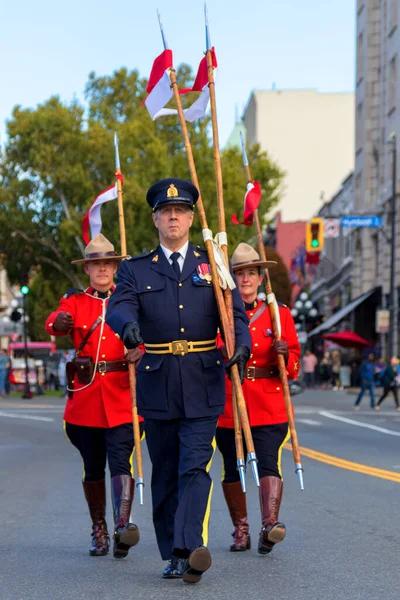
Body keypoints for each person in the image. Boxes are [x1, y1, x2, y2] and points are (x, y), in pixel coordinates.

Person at [106, 178, 251, 584]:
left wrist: (241, 344)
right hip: (158, 381)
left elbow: (235, 312)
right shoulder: (135, 269)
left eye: (181, 211)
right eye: (166, 212)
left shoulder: (213, 262)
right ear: (155, 219)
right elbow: (119, 306)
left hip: (204, 379)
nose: (173, 217)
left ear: (190, 218)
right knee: (166, 471)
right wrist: (129, 328)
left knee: (194, 466)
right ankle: (172, 551)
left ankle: (190, 549)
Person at [45, 234, 143, 559]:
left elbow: (146, 336)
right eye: (95, 263)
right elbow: (55, 323)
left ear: (115, 267)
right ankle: (99, 528)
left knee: (120, 460)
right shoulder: (74, 301)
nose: (102, 268)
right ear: (87, 269)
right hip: (86, 397)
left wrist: (138, 350)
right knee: (92, 466)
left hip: (121, 394)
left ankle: (121, 527)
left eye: (107, 263)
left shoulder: (128, 300)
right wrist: (57, 322)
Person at [215, 243, 300, 555]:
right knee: (231, 466)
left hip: (268, 402)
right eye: (239, 273)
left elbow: (294, 365)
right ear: (231, 279)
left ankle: (269, 525)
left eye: (251, 272)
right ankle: (241, 529)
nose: (246, 279)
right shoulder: (218, 316)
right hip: (230, 402)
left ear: (261, 277)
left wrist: (284, 354)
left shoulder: (279, 315)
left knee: (267, 460)